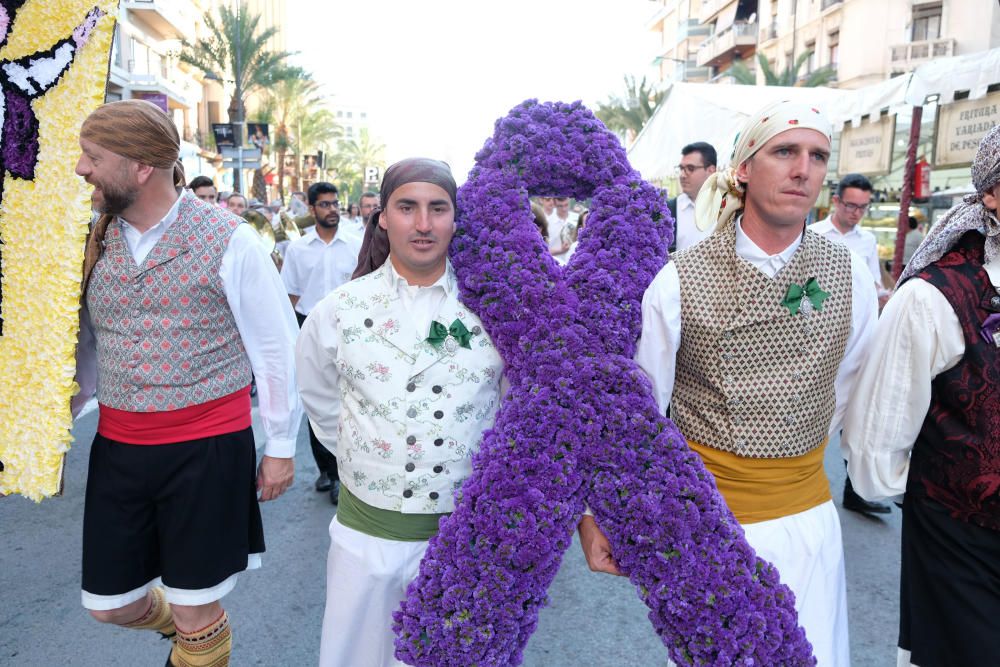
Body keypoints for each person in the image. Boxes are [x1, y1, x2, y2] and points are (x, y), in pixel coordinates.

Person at [578, 101, 877, 667]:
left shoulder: (850, 274)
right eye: (785, 152)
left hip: (807, 522)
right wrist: (597, 511)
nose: (803, 170)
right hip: (707, 528)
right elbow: (639, 408)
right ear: (742, 168)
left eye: (817, 157)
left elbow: (851, 384)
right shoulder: (679, 279)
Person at [72, 100, 301, 667]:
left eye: (93, 157)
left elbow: (274, 350)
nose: (81, 169)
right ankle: (196, 638)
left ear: (141, 166)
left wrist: (279, 447)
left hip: (207, 448)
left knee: (197, 605)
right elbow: (85, 349)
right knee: (108, 605)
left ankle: (200, 640)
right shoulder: (89, 242)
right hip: (119, 447)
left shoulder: (231, 239)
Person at [296, 158, 504, 667]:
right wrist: (367, 454)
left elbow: (511, 408)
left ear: (457, 219)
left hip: (463, 544)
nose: (424, 224)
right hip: (363, 542)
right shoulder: (339, 309)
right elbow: (320, 400)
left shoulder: (496, 313)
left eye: (438, 209)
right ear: (383, 217)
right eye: (407, 207)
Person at [842, 124, 1000, 667]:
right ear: (993, 195)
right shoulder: (933, 296)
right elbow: (876, 434)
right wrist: (945, 491)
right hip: (963, 538)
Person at [807, 173, 891, 515]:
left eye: (863, 207)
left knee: (855, 412)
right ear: (837, 202)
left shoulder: (867, 241)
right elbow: (797, 288)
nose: (857, 213)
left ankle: (854, 489)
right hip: (814, 335)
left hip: (855, 338)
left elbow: (872, 284)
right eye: (852, 205)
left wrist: (885, 296)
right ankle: (801, 474)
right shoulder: (811, 235)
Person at [281, 182, 361, 504]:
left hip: (350, 330)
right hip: (309, 330)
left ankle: (344, 472)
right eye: (325, 204)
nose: (332, 209)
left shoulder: (355, 245)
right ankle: (327, 470)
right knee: (317, 401)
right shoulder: (298, 250)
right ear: (312, 209)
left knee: (348, 401)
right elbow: (291, 296)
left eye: (335, 203)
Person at [667, 141, 717, 251]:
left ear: (711, 171)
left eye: (690, 168)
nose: (682, 175)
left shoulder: (727, 208)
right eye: (681, 168)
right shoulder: (668, 210)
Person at [547, 196, 578, 261]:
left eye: (566, 205)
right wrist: (561, 250)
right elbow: (543, 251)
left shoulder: (577, 218)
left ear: (569, 200)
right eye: (560, 206)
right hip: (555, 265)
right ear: (554, 204)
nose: (564, 209)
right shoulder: (547, 222)